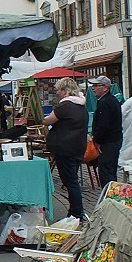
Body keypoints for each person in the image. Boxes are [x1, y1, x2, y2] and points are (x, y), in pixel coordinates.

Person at [42, 77, 89, 222]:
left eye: (58, 90)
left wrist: (40, 117)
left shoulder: (65, 106)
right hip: (77, 148)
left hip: (65, 149)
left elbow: (47, 120)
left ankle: (77, 213)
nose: (57, 93)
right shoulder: (81, 106)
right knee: (72, 181)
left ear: (65, 91)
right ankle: (74, 210)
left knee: (71, 182)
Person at [89, 76, 122, 186]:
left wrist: (97, 140)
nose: (93, 88)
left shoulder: (105, 102)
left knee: (106, 172)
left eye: (96, 86)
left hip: (108, 142)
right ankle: (111, 194)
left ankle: (110, 197)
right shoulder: (109, 100)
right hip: (113, 141)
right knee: (110, 171)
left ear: (105, 88)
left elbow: (103, 126)